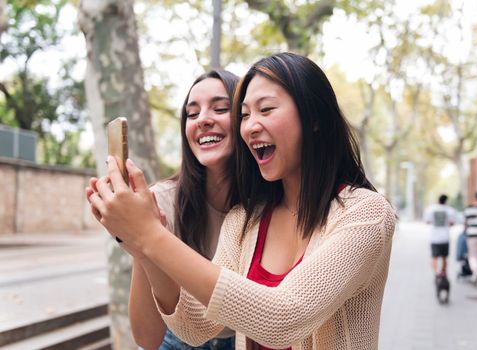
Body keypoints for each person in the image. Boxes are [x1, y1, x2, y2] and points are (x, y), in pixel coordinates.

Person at [87, 52, 396, 350]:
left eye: (266, 109)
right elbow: (193, 326)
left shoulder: (365, 213)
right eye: (244, 115)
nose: (249, 126)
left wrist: (149, 234)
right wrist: (144, 246)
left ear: (314, 118)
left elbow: (283, 318)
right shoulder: (245, 220)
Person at [88, 70, 239, 349]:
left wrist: (148, 234)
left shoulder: (270, 205)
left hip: (247, 339)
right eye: (192, 114)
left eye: (220, 108)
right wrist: (141, 243)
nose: (203, 119)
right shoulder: (161, 202)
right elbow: (147, 338)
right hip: (180, 339)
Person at [424, 194, 456, 277]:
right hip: (445, 238)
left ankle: (436, 274)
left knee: (434, 257)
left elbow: (427, 222)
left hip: (434, 238)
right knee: (444, 257)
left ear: (438, 200)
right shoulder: (450, 210)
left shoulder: (431, 209)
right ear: (446, 201)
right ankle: (443, 272)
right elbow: (452, 223)